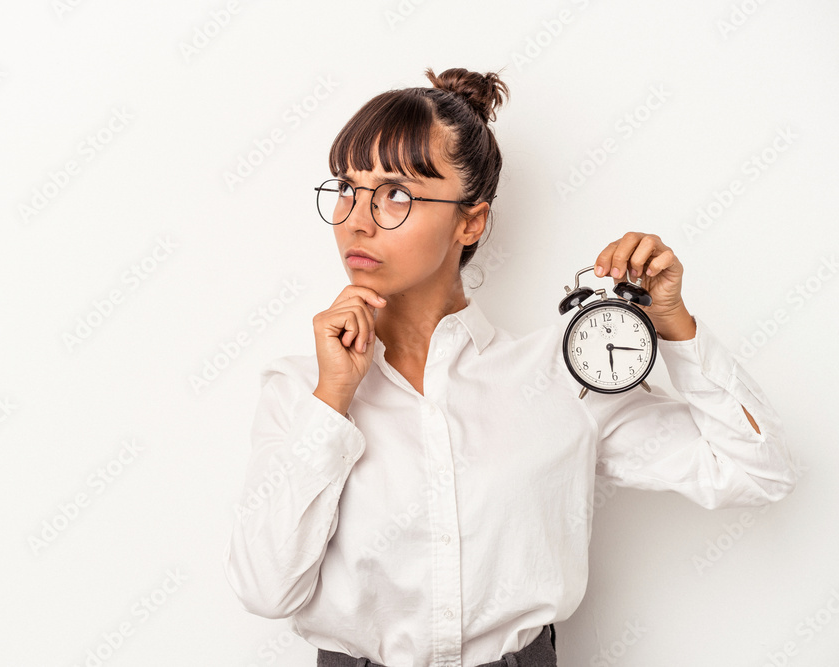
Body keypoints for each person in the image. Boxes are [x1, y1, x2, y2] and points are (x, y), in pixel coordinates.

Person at [222, 67, 797, 667]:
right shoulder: (302, 390)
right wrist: (334, 400)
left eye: (395, 193)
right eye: (347, 187)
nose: (357, 219)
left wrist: (675, 323)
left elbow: (759, 472)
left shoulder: (561, 378)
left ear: (470, 220)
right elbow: (265, 590)